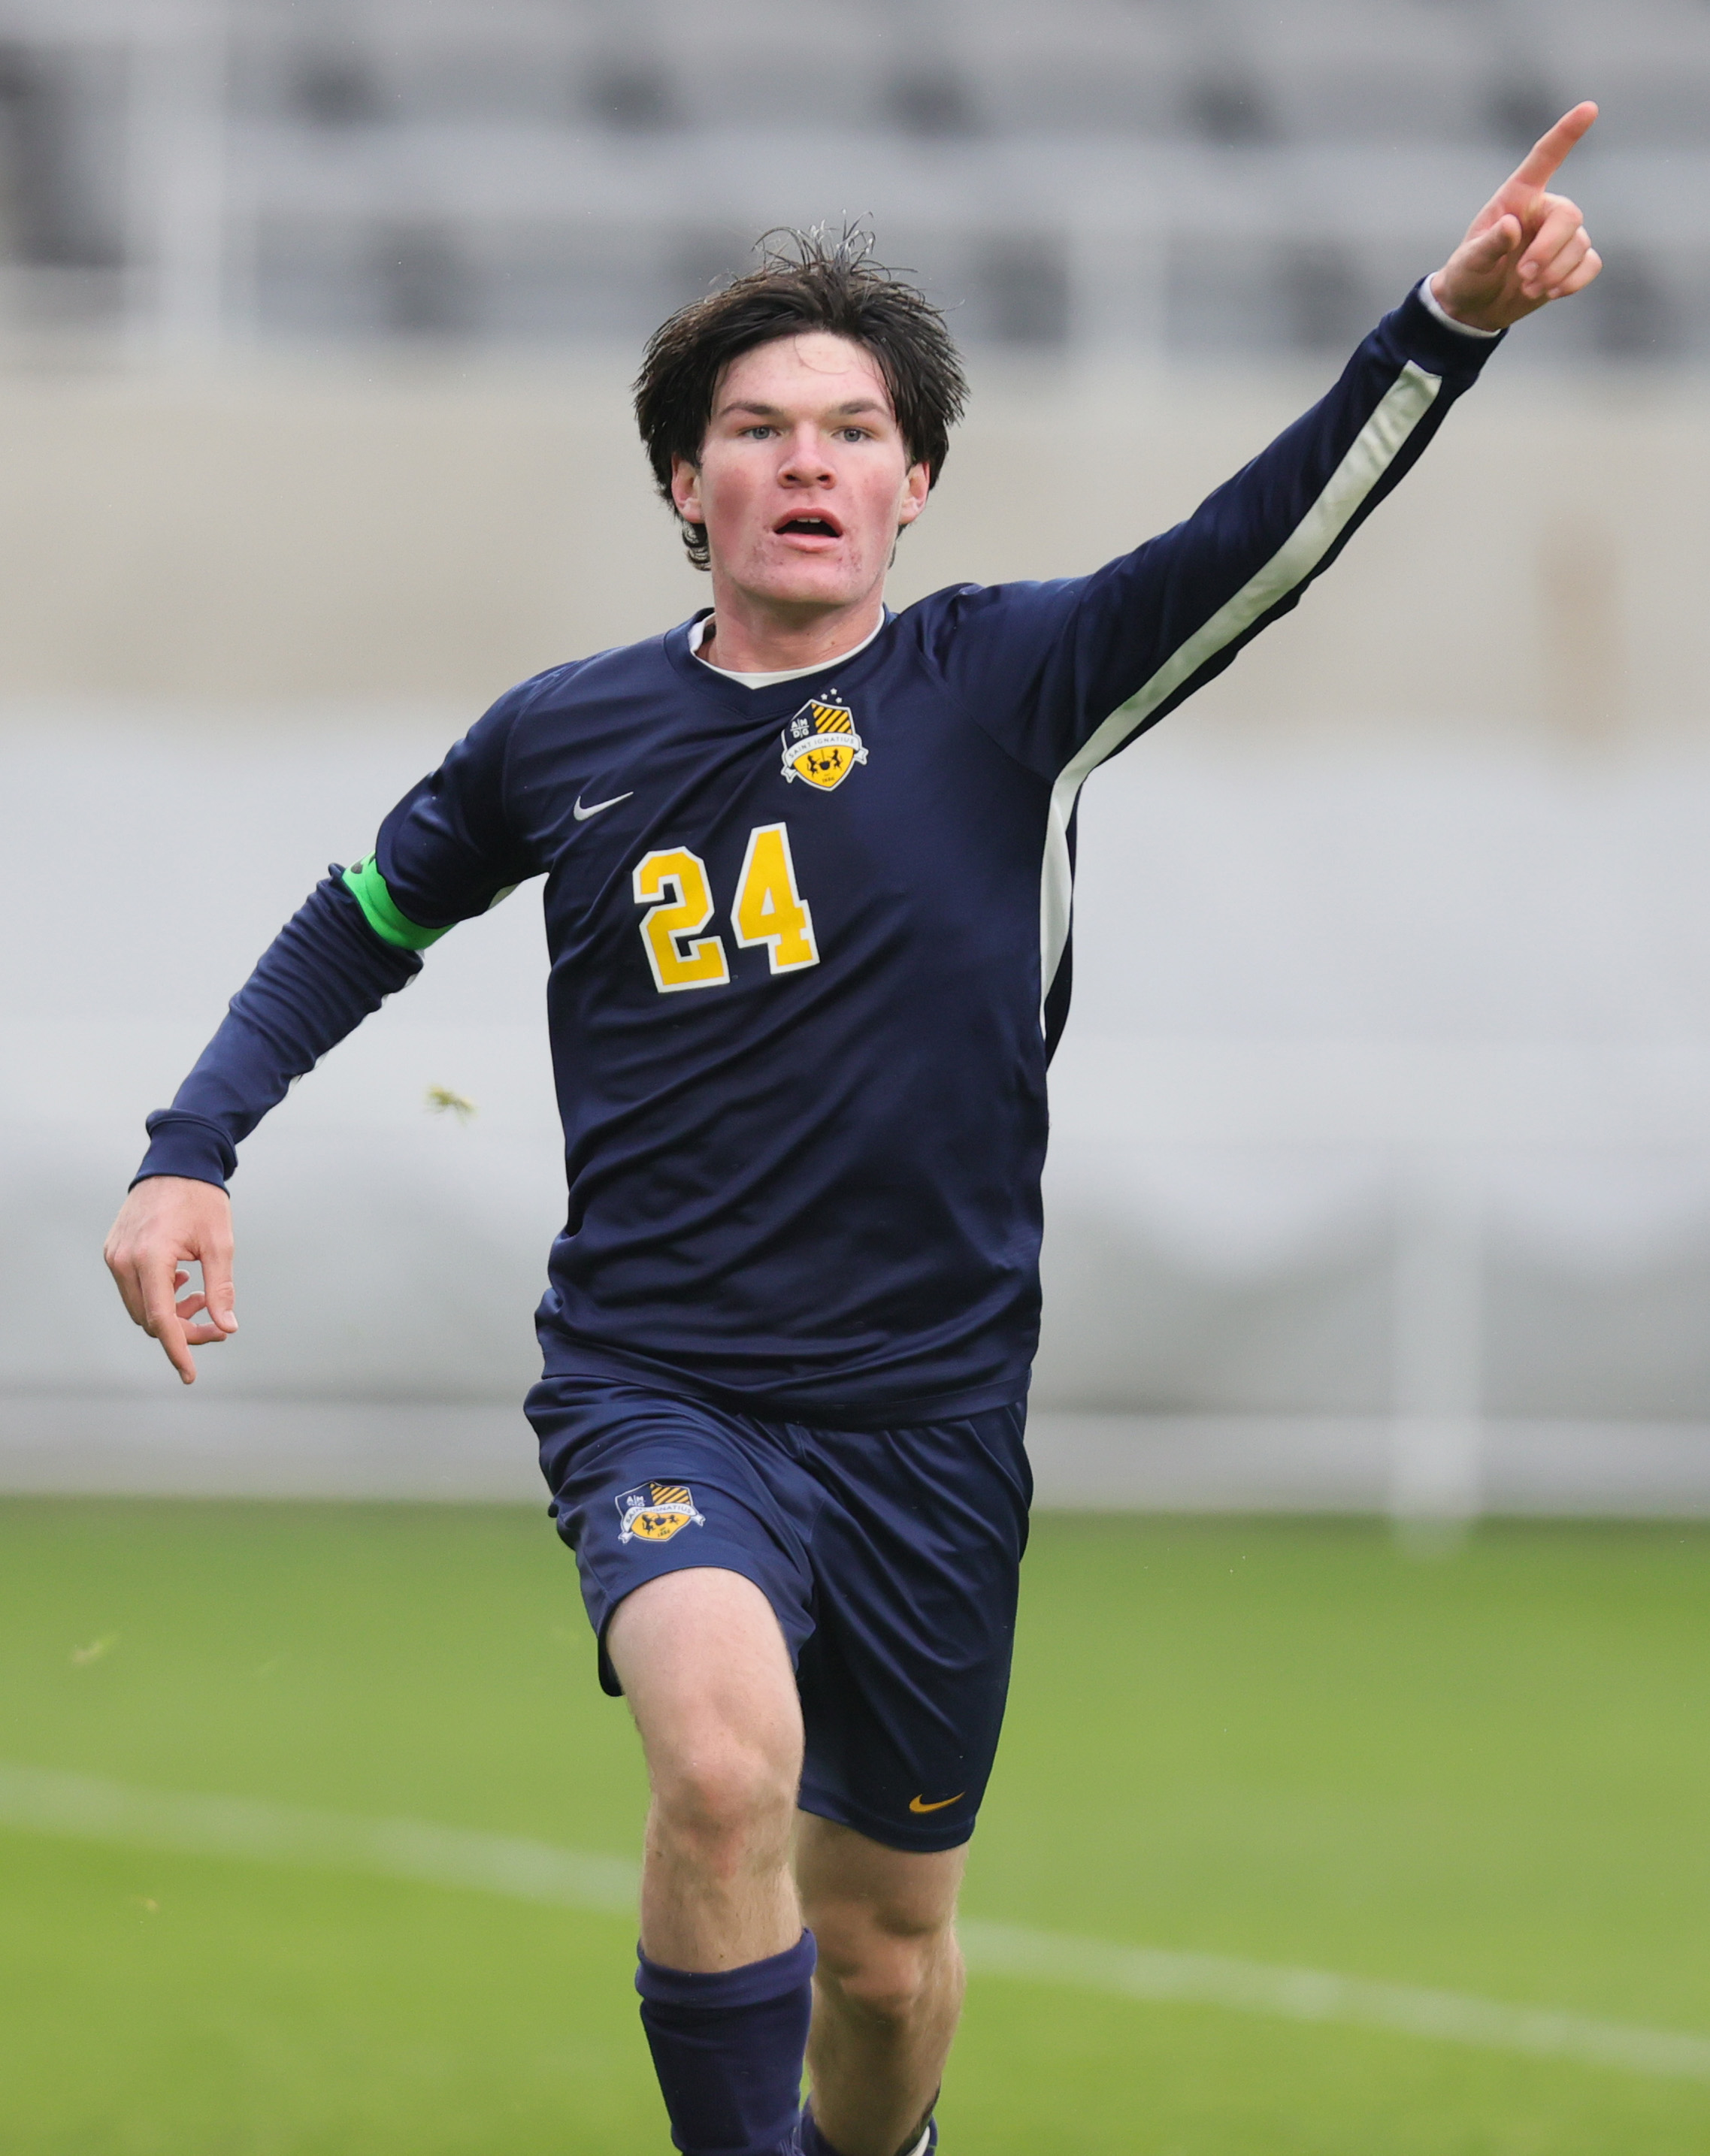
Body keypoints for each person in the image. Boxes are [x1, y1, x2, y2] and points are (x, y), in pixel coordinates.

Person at [104, 106, 1603, 2156]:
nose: (804, 456)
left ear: (913, 486)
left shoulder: (1013, 684)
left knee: (886, 1962)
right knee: (718, 1775)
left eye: (848, 426)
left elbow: (1265, 533)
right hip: (660, 1385)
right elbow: (361, 918)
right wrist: (195, 1142)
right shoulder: (560, 737)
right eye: (755, 424)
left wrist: (1441, 327)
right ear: (680, 482)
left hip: (927, 1424)